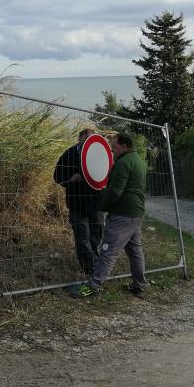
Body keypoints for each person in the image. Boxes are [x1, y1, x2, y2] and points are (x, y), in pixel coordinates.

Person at [83, 132, 147, 298]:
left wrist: (103, 206)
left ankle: (93, 286)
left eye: (114, 147)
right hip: (136, 213)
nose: (112, 151)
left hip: (122, 214)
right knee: (135, 251)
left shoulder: (123, 163)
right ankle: (139, 286)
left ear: (124, 146)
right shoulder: (139, 161)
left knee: (108, 250)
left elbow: (115, 191)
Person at [53, 128, 104, 289]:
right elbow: (57, 176)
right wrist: (70, 179)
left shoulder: (99, 155)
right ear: (79, 139)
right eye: (86, 140)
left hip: (96, 203)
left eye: (91, 140)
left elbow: (106, 174)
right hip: (77, 204)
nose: (89, 143)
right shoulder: (69, 154)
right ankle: (90, 269)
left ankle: (94, 261)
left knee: (96, 234)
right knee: (82, 236)